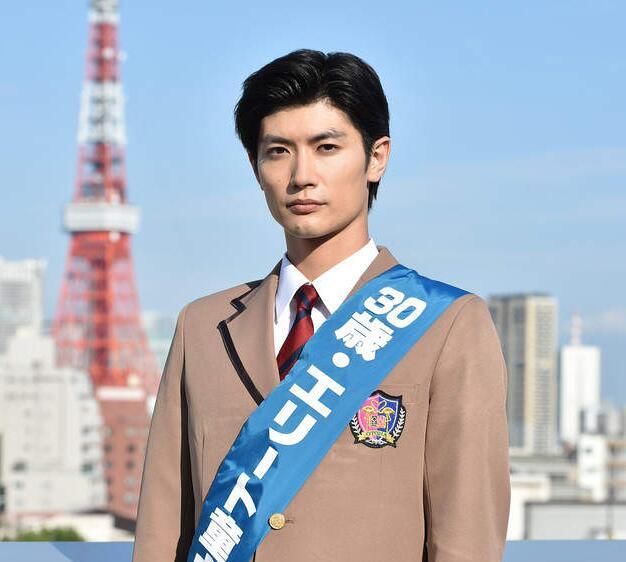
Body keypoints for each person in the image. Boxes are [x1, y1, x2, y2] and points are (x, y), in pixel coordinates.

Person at [132, 48, 510, 562]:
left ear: (377, 157)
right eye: (278, 151)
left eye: (326, 147)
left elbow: (467, 540)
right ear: (255, 166)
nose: (301, 175)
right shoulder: (203, 327)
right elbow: (162, 530)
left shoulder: (446, 324)